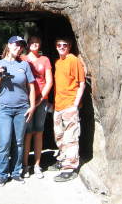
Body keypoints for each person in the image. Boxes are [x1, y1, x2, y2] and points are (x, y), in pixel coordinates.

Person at [0, 36, 36, 186]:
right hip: (4, 109)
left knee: (19, 141)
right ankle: (1, 174)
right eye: (16, 45)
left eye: (21, 46)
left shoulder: (25, 65)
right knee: (5, 141)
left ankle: (16, 172)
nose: (19, 48)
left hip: (22, 108)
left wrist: (32, 106)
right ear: (8, 45)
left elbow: (32, 87)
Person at [49, 37, 86, 182]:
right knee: (59, 136)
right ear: (56, 46)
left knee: (70, 137)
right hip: (58, 106)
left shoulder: (73, 60)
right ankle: (63, 159)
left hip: (70, 105)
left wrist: (75, 104)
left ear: (69, 46)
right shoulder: (58, 62)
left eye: (65, 45)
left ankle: (69, 168)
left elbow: (81, 83)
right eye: (59, 44)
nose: (62, 47)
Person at [21, 35, 53, 179]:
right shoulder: (22, 59)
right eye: (32, 42)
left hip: (41, 100)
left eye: (37, 42)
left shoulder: (44, 59)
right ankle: (25, 165)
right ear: (28, 44)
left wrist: (40, 99)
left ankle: (37, 165)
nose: (35, 44)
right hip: (26, 101)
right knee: (27, 133)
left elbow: (49, 81)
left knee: (38, 132)